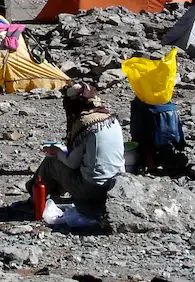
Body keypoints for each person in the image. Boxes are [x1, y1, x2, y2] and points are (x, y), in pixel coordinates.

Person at [28, 83, 125, 218]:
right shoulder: (110, 118)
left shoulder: (83, 124)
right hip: (114, 185)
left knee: (51, 163)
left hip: (91, 189)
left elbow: (72, 163)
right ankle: (50, 197)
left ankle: (36, 198)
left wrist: (57, 152)